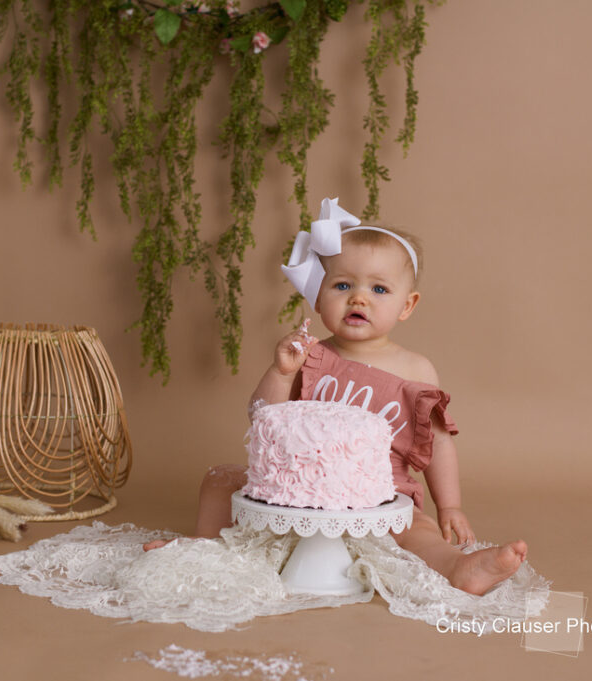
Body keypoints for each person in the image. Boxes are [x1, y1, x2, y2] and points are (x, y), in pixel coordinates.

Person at [146, 198, 528, 596]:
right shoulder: (309, 355)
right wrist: (280, 372)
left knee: (416, 530)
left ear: (407, 305)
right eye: (343, 285)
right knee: (220, 481)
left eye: (379, 289)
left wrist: (448, 505)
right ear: (317, 295)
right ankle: (208, 548)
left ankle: (458, 568)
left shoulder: (416, 370)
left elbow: (439, 444)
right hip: (296, 489)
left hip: (381, 493)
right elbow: (263, 416)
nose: (359, 298)